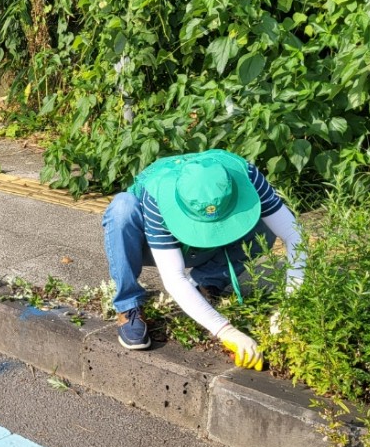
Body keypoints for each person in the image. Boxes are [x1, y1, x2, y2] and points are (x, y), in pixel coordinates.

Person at [101, 149, 306, 369]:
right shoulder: (158, 194)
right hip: (149, 246)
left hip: (211, 245)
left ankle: (205, 282)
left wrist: (289, 307)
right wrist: (226, 331)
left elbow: (294, 236)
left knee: (265, 224)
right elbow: (173, 278)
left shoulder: (246, 175)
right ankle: (128, 305)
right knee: (122, 208)